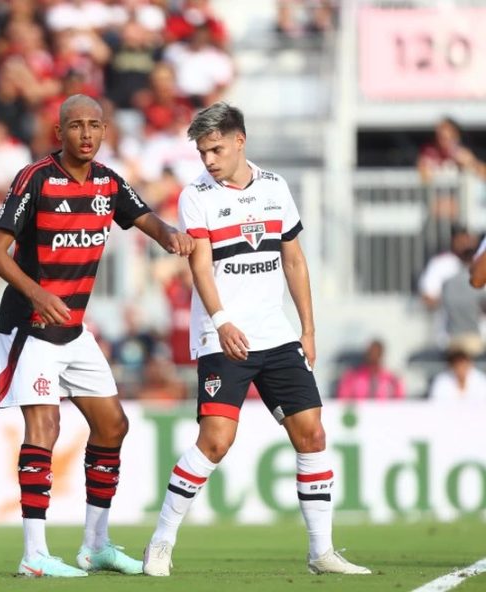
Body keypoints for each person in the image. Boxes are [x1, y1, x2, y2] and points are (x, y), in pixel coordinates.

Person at [142, 102, 370, 577]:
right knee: (216, 441)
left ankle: (321, 551)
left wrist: (307, 328)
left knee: (313, 434)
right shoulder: (196, 196)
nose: (208, 159)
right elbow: (199, 264)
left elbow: (295, 260)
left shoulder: (275, 188)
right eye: (203, 152)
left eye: (216, 149)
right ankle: (161, 541)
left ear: (240, 140)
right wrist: (222, 320)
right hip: (222, 336)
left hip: (276, 335)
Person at [0, 94, 194, 578]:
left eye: (94, 125)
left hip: (73, 330)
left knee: (113, 425)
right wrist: (36, 293)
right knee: (45, 430)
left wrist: (172, 236)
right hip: (29, 325)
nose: (85, 134)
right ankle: (34, 554)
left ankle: (95, 545)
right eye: (75, 125)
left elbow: (147, 220)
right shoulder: (35, 178)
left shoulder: (108, 182)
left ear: (105, 130)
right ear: (59, 132)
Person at [336, 339, 405, 401]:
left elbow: (399, 401)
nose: (373, 355)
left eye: (377, 352)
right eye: (371, 352)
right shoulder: (353, 377)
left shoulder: (391, 379)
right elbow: (343, 398)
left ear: (381, 354)